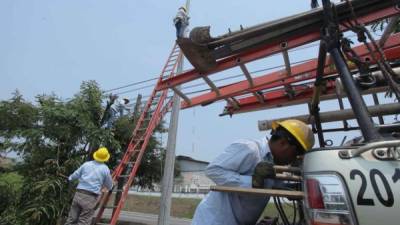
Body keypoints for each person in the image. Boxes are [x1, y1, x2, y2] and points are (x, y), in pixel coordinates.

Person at [191, 119, 315, 225]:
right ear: (283, 143)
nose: (293, 159)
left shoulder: (274, 163)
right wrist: (252, 181)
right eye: (296, 154)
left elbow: (277, 186)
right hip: (214, 220)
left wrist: (295, 186)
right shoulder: (250, 149)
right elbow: (213, 170)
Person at [65, 147, 113, 225]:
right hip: (90, 197)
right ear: (105, 158)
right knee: (83, 221)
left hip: (79, 194)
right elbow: (109, 184)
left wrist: (70, 178)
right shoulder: (105, 169)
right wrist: (110, 187)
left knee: (71, 219)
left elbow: (76, 174)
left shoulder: (86, 164)